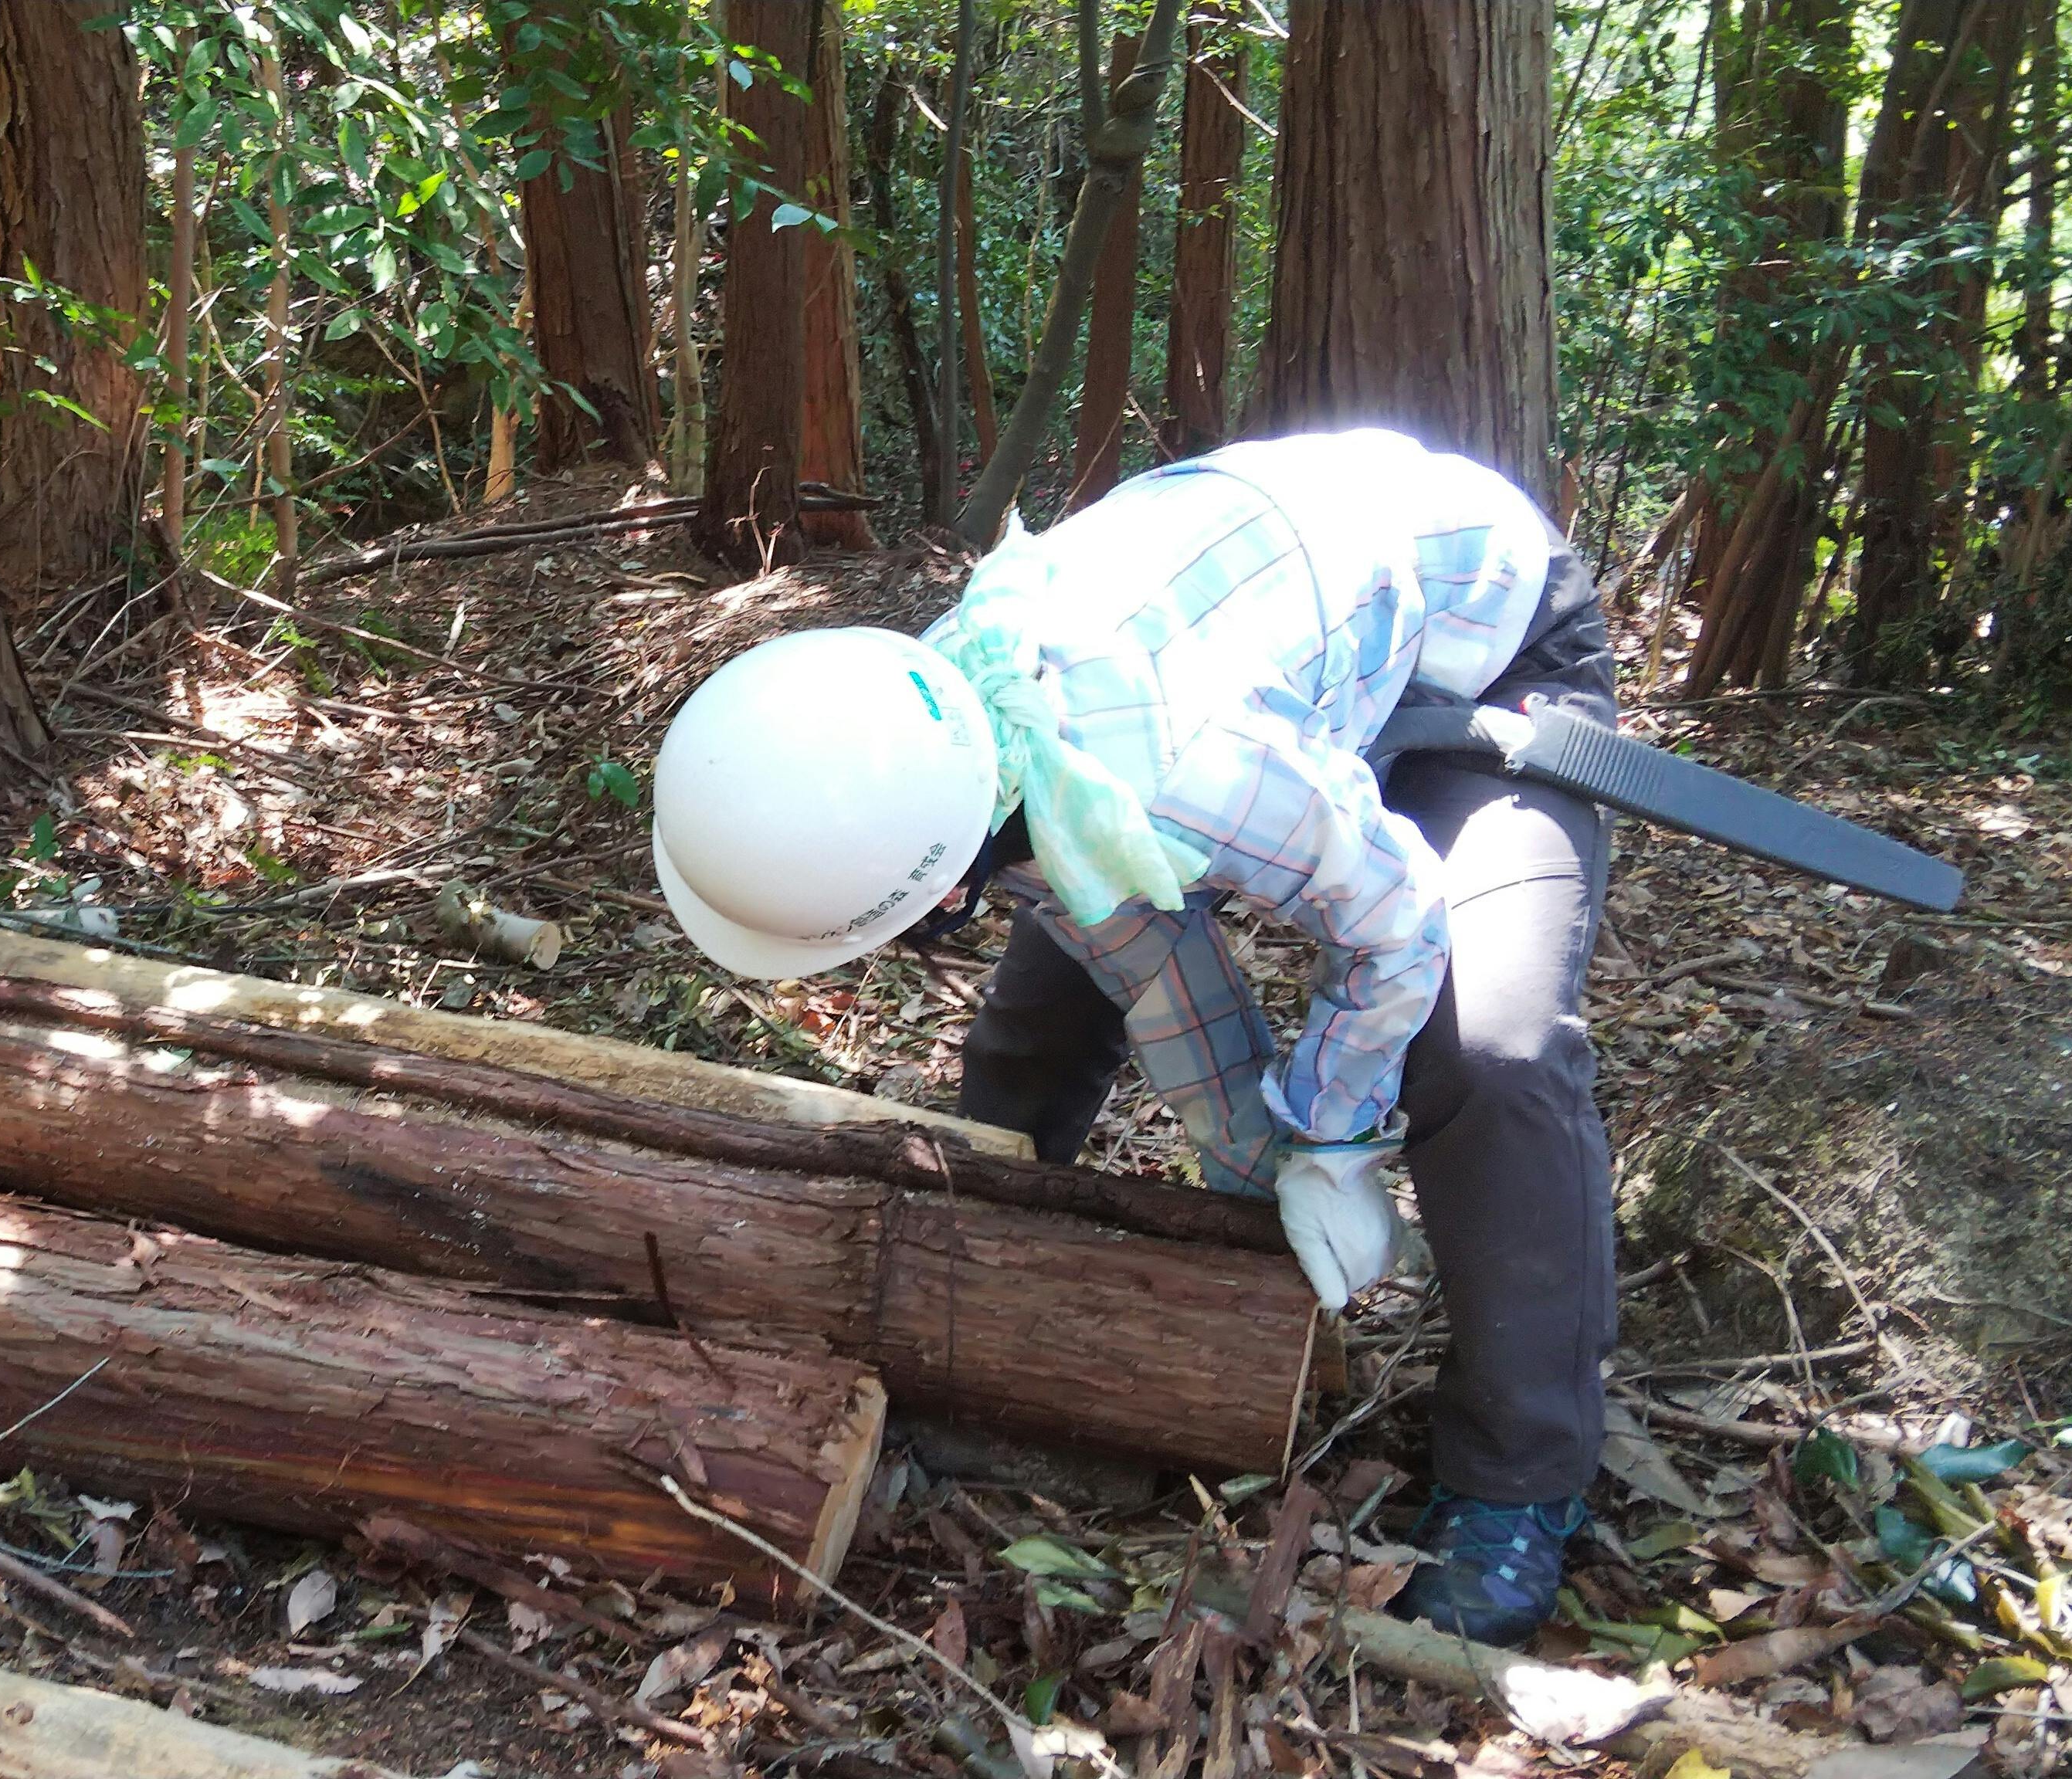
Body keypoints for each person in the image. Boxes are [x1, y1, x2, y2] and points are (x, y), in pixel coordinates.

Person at [651, 430, 1616, 1645]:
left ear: (939, 884)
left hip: (1488, 643)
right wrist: (1261, 1182)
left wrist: (1331, 1141)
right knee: (1032, 1035)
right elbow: (1166, 982)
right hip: (1280, 659)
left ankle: (1520, 1479)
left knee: (1491, 1048)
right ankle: (980, 1316)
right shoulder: (928, 745)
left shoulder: (1159, 767)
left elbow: (1395, 918)